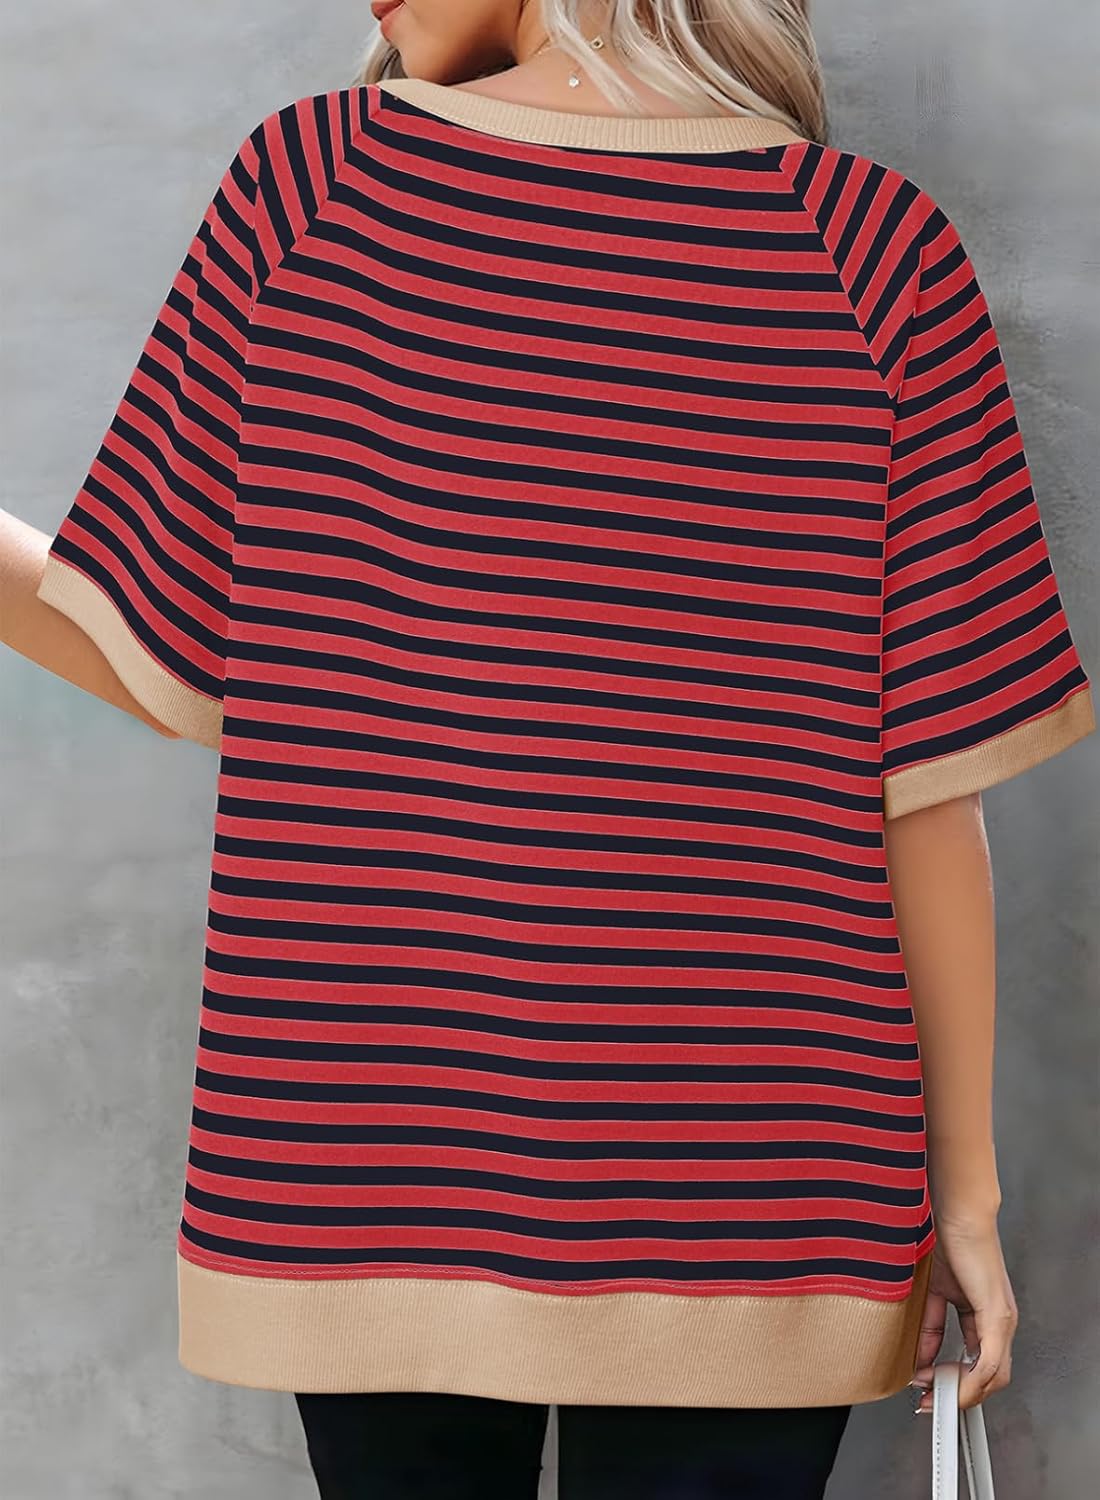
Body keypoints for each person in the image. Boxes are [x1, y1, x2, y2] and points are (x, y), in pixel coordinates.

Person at [2, 2, 1094, 1496]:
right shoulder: (870, 253)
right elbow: (927, 794)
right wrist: (962, 1196)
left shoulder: (311, 192)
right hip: (761, 1186)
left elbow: (164, 648)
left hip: (365, 1153)